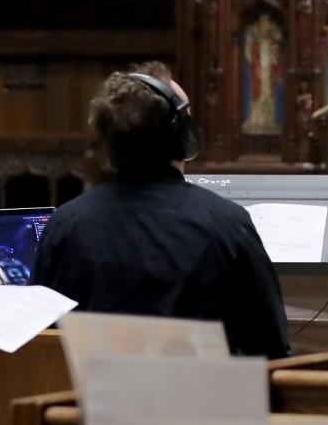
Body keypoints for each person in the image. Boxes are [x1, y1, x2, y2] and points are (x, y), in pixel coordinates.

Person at [31, 62, 290, 358]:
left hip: (96, 402)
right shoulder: (227, 225)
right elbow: (270, 347)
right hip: (203, 402)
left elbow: (42, 341)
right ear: (183, 136)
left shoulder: (64, 225)